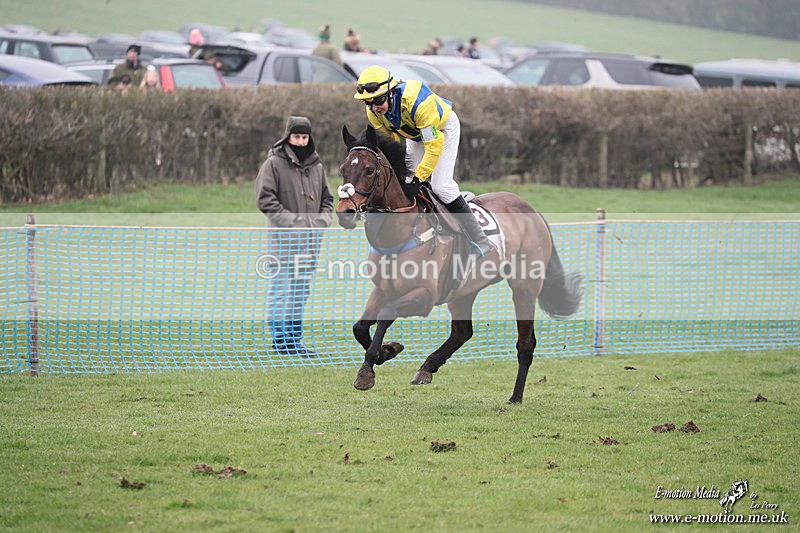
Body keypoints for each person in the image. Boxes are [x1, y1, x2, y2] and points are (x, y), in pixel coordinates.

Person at [353, 66, 494, 257]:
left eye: (378, 100)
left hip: (443, 130)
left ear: (391, 92)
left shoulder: (418, 103)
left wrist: (419, 177)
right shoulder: (374, 113)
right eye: (368, 103)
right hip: (416, 134)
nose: (375, 107)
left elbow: (434, 145)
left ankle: (481, 240)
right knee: (406, 181)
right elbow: (392, 143)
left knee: (441, 186)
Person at [255, 116, 333, 357]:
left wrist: (322, 221)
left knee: (300, 292)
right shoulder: (273, 164)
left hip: (309, 245)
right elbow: (265, 198)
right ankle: (280, 341)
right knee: (281, 289)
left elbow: (327, 200)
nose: (300, 141)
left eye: (304, 136)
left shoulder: (317, 167)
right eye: (296, 136)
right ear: (288, 137)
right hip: (283, 244)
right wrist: (293, 223)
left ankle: (294, 341)